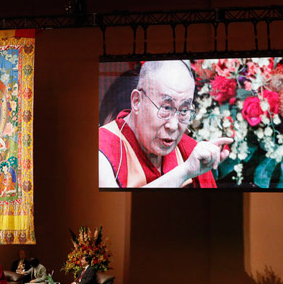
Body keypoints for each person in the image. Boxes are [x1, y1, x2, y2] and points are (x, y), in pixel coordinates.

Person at [99, 60, 232, 188]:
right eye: (166, 108)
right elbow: (116, 206)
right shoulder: (102, 148)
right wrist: (184, 172)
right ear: (137, 101)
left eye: (184, 110)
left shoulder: (188, 149)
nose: (173, 126)